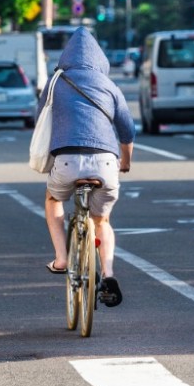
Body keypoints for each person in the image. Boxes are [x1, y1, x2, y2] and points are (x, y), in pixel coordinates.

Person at [36, 28, 135, 307]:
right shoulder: (109, 86)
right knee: (101, 220)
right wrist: (125, 162)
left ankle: (62, 257)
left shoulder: (55, 82)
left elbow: (40, 119)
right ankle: (110, 273)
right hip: (105, 162)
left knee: (54, 199)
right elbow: (127, 130)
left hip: (66, 160)